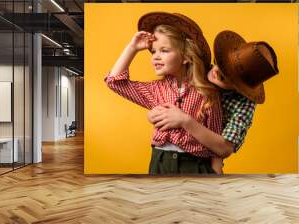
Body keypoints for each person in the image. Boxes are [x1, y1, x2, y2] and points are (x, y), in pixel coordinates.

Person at [104, 12, 223, 175]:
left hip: (195, 166)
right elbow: (114, 82)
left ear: (185, 56)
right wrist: (132, 48)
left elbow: (217, 144)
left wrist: (216, 172)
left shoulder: (207, 93)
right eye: (153, 51)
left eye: (164, 50)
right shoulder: (155, 90)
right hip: (160, 162)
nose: (155, 57)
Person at [147, 30, 279, 174]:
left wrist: (185, 121)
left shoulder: (244, 104)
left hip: (201, 163)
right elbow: (167, 88)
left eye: (223, 76)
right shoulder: (199, 68)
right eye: (218, 63)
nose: (215, 71)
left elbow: (225, 148)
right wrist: (155, 112)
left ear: (238, 87)